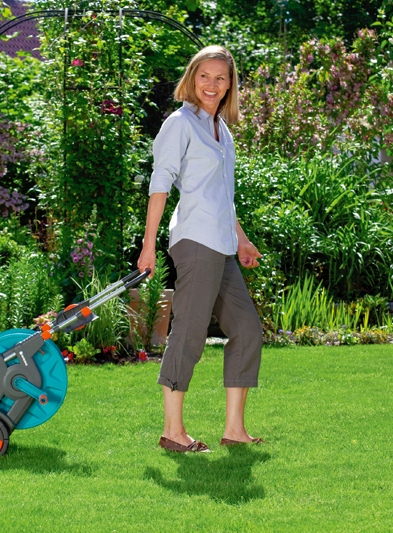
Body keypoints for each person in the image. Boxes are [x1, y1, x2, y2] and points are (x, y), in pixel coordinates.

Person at [137, 45, 265, 453]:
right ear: (192, 78)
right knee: (189, 333)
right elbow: (160, 184)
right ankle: (172, 432)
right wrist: (148, 246)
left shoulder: (221, 130)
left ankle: (235, 430)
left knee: (247, 330)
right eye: (204, 76)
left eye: (220, 78)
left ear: (230, 85)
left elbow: (222, 195)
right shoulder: (180, 124)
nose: (212, 84)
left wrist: (241, 239)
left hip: (222, 245)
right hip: (195, 241)